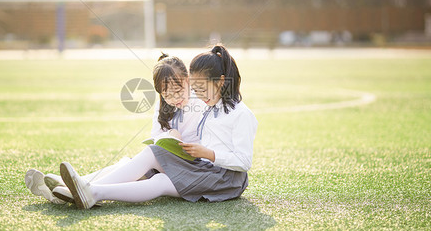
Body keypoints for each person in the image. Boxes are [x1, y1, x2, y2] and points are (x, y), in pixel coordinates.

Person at [60, 44, 258, 209]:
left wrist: (207, 153)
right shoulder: (210, 106)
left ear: (222, 82)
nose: (198, 94)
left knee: (154, 172)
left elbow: (244, 162)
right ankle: (88, 190)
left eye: (200, 89)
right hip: (208, 169)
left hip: (226, 180)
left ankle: (90, 190)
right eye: (195, 89)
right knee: (154, 166)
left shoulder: (241, 114)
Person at [25, 53, 206, 204]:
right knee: (127, 164)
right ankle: (71, 187)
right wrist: (169, 135)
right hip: (167, 165)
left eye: (179, 91)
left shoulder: (201, 103)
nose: (175, 98)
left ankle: (83, 189)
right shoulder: (163, 107)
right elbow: (156, 137)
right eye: (167, 95)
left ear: (188, 80)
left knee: (146, 161)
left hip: (187, 166)